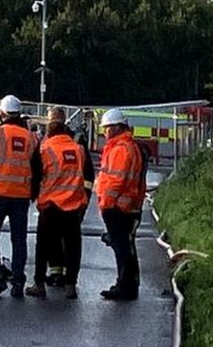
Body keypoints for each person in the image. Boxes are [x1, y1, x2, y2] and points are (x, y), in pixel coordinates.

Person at [26, 107, 95, 300]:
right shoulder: (78, 149)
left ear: (49, 130)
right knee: (73, 248)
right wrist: (84, 201)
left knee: (42, 246)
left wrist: (32, 198)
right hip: (73, 207)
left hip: (50, 206)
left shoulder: (44, 149)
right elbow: (88, 176)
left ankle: (39, 284)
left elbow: (35, 176)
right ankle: (70, 285)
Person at [0, 94, 41, 298]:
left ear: (2, 113)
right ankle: (17, 281)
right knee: (19, 239)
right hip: (21, 196)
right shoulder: (31, 138)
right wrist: (32, 193)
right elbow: (37, 168)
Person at [95, 108, 146, 301]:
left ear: (117, 127)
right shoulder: (125, 146)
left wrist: (106, 203)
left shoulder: (121, 149)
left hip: (118, 207)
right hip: (125, 205)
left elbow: (117, 180)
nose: (105, 132)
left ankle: (125, 286)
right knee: (124, 247)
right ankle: (127, 284)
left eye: (107, 128)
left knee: (122, 248)